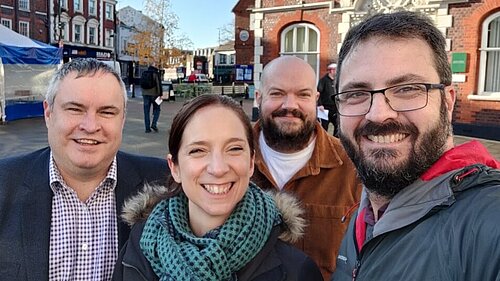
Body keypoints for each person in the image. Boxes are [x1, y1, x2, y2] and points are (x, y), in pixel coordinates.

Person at [331, 11, 500, 281]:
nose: (378, 114)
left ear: (447, 102)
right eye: (356, 94)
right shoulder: (363, 215)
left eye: (407, 88)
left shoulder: (490, 223)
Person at [113, 94, 323, 281]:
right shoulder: (138, 248)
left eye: (234, 149)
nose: (218, 168)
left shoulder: (297, 270)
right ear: (174, 167)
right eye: (198, 150)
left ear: (251, 163)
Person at [0, 58, 168, 281]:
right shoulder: (4, 184)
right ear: (48, 114)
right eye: (75, 109)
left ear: (123, 119)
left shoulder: (163, 185)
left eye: (107, 112)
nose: (90, 126)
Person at [252, 56, 362, 279]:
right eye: (277, 93)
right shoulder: (227, 164)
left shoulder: (354, 167)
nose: (290, 105)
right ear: (258, 98)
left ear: (316, 99)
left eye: (303, 94)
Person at [317, 63, 339, 136]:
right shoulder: (323, 80)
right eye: (335, 70)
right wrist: (320, 104)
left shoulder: (337, 81)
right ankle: (324, 142)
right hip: (324, 109)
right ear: (331, 71)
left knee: (338, 125)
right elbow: (318, 93)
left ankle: (335, 141)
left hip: (335, 107)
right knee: (324, 127)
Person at [141, 65, 162, 133]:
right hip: (155, 94)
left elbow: (141, 83)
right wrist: (160, 94)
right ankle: (154, 124)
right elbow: (158, 84)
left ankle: (147, 128)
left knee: (146, 111)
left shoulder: (144, 73)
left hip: (145, 94)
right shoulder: (155, 73)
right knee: (157, 109)